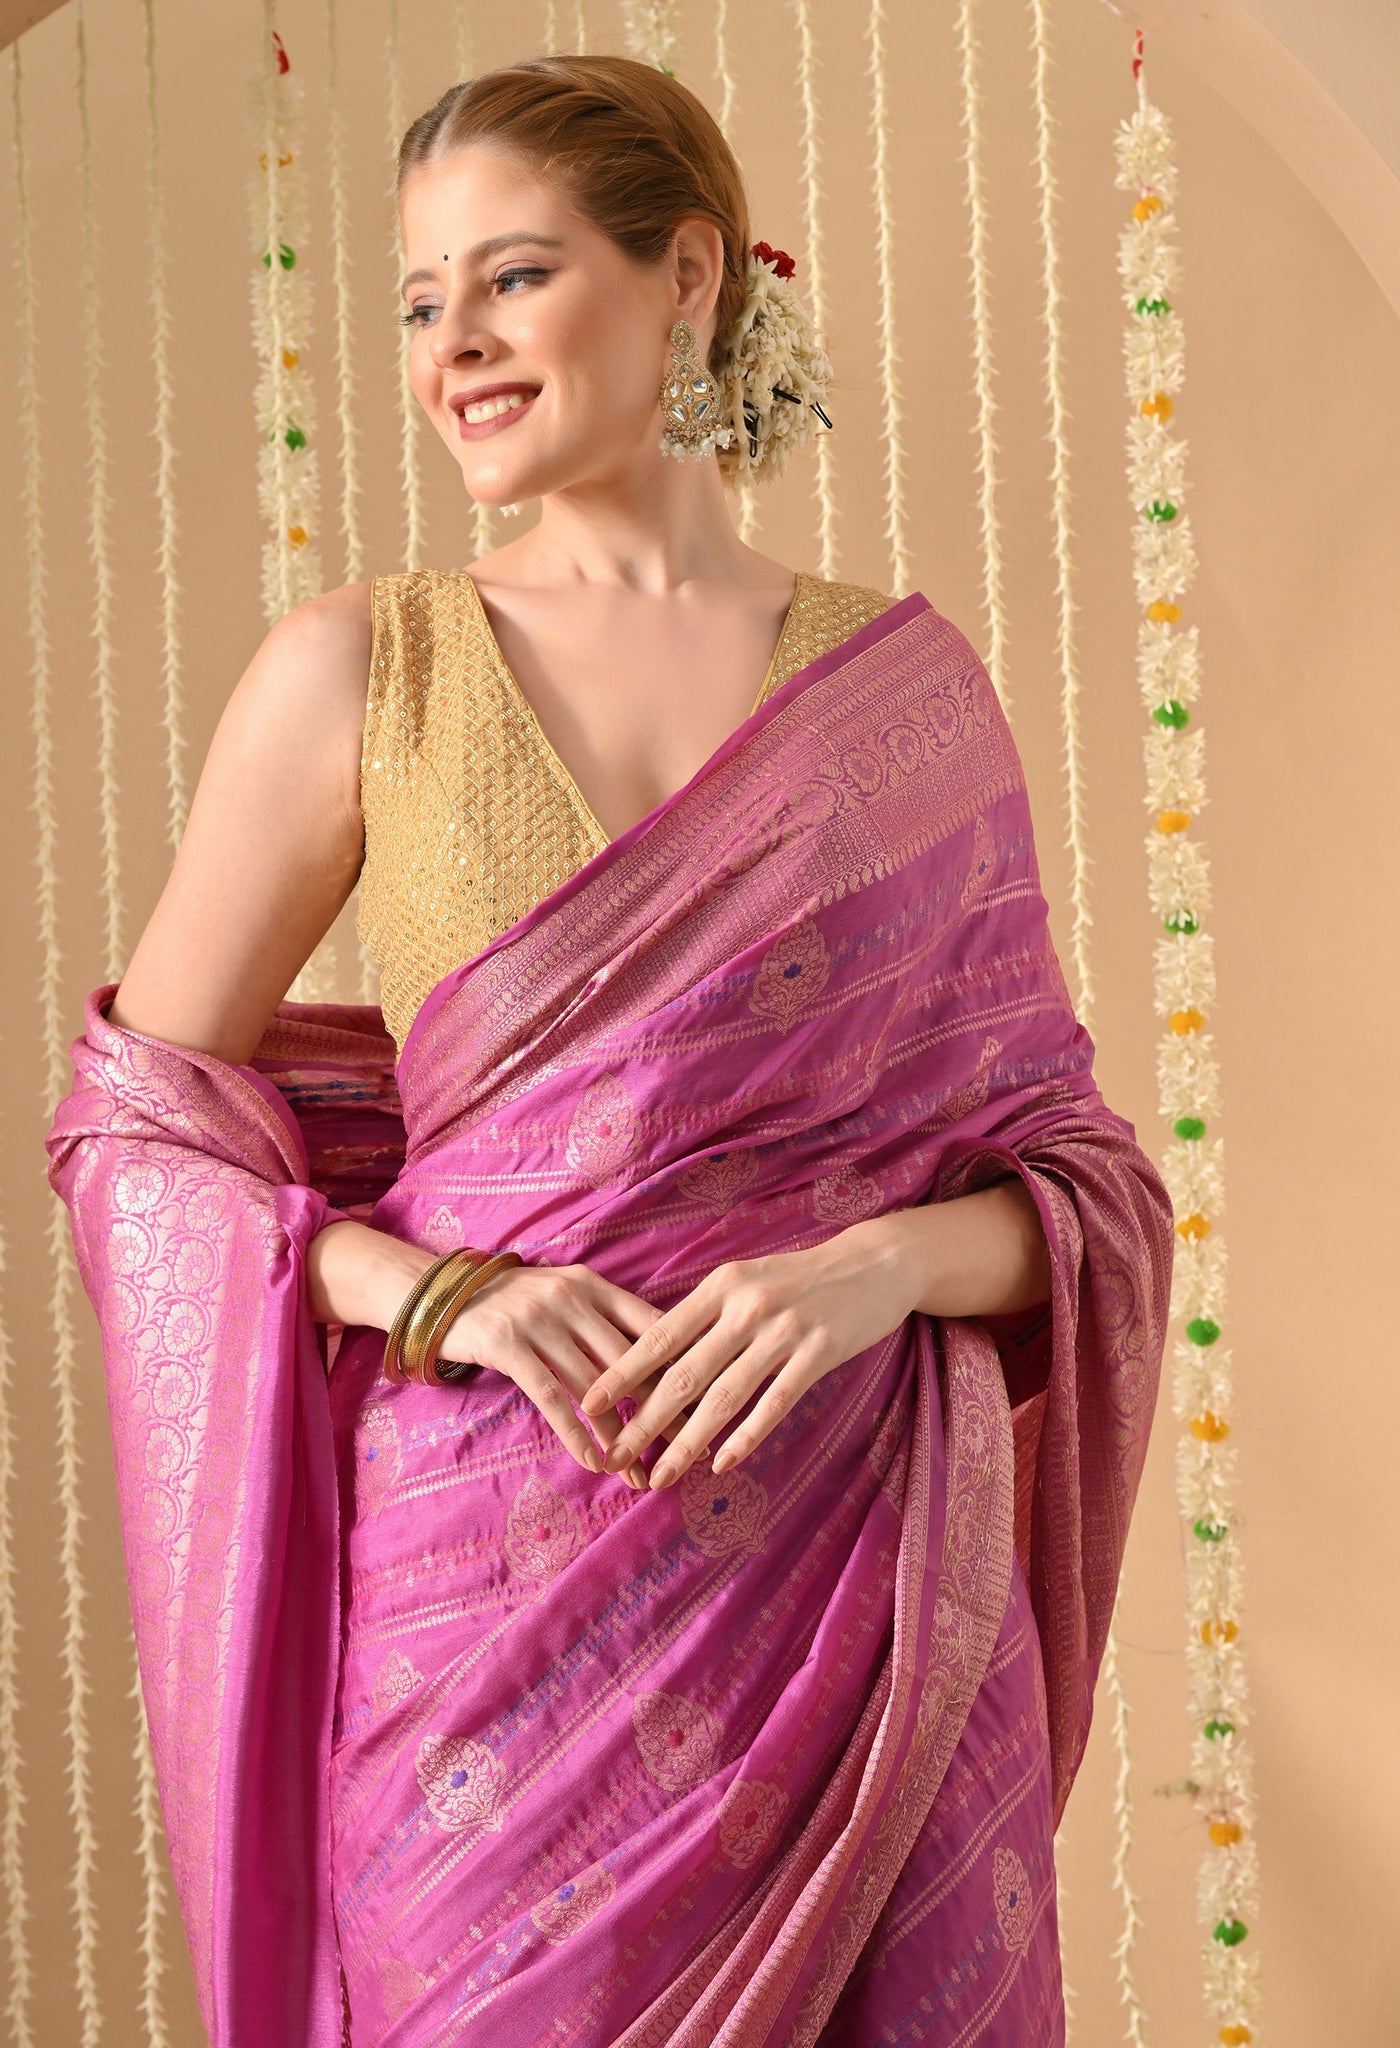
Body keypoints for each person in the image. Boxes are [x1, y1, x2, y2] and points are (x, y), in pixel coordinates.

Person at [46, 52, 1173, 2048]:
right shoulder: (359, 671)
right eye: (421, 300)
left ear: (689, 279)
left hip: (855, 1579)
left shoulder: (902, 695)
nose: (453, 347)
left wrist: (875, 1267)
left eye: (513, 276)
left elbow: (1077, 1183)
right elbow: (135, 1138)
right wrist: (435, 1292)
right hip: (491, 1618)